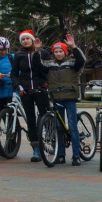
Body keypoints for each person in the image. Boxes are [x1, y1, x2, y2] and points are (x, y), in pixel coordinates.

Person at [36, 35, 85, 166]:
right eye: (56, 52)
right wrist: (37, 50)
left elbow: (82, 60)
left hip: (70, 98)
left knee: (72, 127)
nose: (58, 54)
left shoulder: (72, 63)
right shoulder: (49, 65)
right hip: (56, 98)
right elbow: (37, 64)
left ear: (65, 52)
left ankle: (76, 156)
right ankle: (61, 155)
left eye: (61, 51)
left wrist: (73, 46)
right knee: (58, 128)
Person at [12, 30, 48, 162]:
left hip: (40, 88)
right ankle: (36, 148)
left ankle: (51, 140)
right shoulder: (18, 55)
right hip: (25, 91)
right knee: (31, 119)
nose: (25, 41)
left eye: (27, 38)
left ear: (32, 39)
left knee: (45, 115)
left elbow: (47, 69)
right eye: (23, 39)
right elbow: (14, 74)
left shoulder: (42, 52)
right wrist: (18, 86)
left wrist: (46, 81)